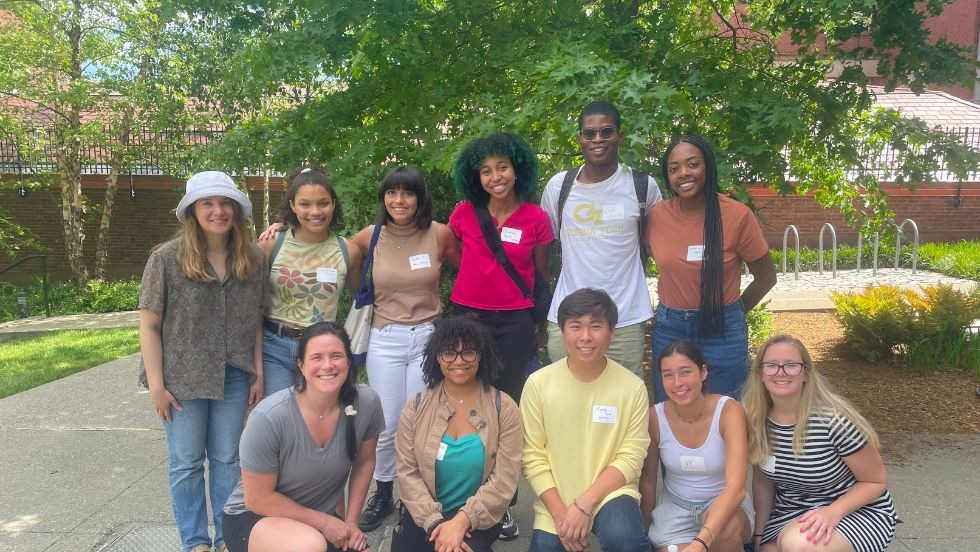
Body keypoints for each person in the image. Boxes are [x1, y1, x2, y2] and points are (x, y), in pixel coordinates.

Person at [139, 171, 267, 552]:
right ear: (193, 211)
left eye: (225, 202)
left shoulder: (253, 259)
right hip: (181, 381)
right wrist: (157, 386)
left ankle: (228, 539)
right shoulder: (165, 259)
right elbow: (149, 325)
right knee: (187, 464)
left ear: (236, 210)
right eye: (208, 203)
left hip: (233, 377)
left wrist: (257, 371)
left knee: (228, 461)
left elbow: (256, 321)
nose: (218, 211)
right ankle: (195, 542)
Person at [449, 131, 552, 540]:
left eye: (502, 167)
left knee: (504, 409)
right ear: (476, 177)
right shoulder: (464, 214)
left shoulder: (536, 219)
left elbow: (540, 276)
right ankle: (462, 493)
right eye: (486, 170)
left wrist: (538, 323)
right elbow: (457, 255)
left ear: (518, 169)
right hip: (470, 318)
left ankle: (502, 503)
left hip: (514, 322)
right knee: (466, 403)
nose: (495, 176)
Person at [347, 166, 461, 532]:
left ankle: (417, 497)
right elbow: (328, 249)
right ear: (384, 197)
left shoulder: (439, 234)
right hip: (385, 339)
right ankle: (382, 491)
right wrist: (282, 228)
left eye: (407, 193)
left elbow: (473, 265)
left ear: (419, 198)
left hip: (429, 338)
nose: (399, 200)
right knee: (387, 424)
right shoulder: (371, 236)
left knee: (423, 424)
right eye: (392, 193)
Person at [221, 322, 384, 552]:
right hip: (256, 518)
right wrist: (326, 523)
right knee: (308, 545)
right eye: (317, 357)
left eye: (336, 356)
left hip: (317, 517)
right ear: (301, 365)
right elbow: (257, 499)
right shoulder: (270, 417)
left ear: (348, 361)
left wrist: (351, 523)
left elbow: (365, 462)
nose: (327, 365)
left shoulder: (366, 402)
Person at [648, 135, 776, 402]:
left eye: (692, 164)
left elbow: (766, 278)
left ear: (708, 166)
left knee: (725, 408)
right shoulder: (657, 216)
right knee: (670, 406)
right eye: (673, 169)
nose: (683, 173)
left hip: (721, 326)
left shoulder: (737, 215)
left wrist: (733, 312)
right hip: (670, 326)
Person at [521, 288, 650, 552]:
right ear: (562, 332)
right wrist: (562, 515)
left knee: (623, 538)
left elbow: (631, 456)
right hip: (556, 498)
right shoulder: (539, 384)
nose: (586, 337)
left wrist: (584, 504)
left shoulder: (632, 387)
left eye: (596, 326)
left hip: (610, 494)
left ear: (612, 332)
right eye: (575, 326)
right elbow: (532, 456)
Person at [541, 100, 662, 379]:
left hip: (625, 319)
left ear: (620, 136)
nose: (598, 139)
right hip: (568, 317)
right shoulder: (559, 187)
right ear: (579, 139)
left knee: (623, 403)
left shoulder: (642, 186)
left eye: (606, 132)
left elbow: (657, 248)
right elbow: (544, 251)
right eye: (590, 133)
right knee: (565, 399)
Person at [744, 335, 897, 552]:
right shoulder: (756, 422)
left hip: (853, 511)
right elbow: (763, 482)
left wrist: (833, 512)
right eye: (771, 365)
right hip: (789, 513)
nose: (781, 372)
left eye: (791, 365)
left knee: (799, 545)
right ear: (760, 373)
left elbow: (875, 482)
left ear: (805, 372)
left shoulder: (834, 422)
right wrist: (759, 533)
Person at [392, 316, 523, 552]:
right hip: (425, 514)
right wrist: (436, 525)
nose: (459, 361)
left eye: (468, 352)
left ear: (480, 355)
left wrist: (463, 521)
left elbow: (505, 481)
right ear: (438, 357)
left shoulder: (504, 408)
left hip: (479, 519)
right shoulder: (416, 406)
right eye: (449, 353)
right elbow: (407, 472)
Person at [639, 340, 753, 552]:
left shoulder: (728, 411)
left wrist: (701, 543)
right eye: (668, 375)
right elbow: (648, 482)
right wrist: (643, 532)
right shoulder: (655, 417)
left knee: (724, 533)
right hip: (675, 508)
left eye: (685, 372)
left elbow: (736, 487)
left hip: (724, 504)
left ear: (703, 372)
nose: (677, 383)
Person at [259, 166, 362, 397]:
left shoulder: (349, 251)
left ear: (333, 204)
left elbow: (361, 303)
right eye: (305, 204)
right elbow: (251, 302)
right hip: (274, 347)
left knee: (319, 422)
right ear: (293, 206)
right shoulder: (271, 245)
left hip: (323, 350)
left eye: (323, 203)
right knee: (280, 420)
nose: (315, 211)